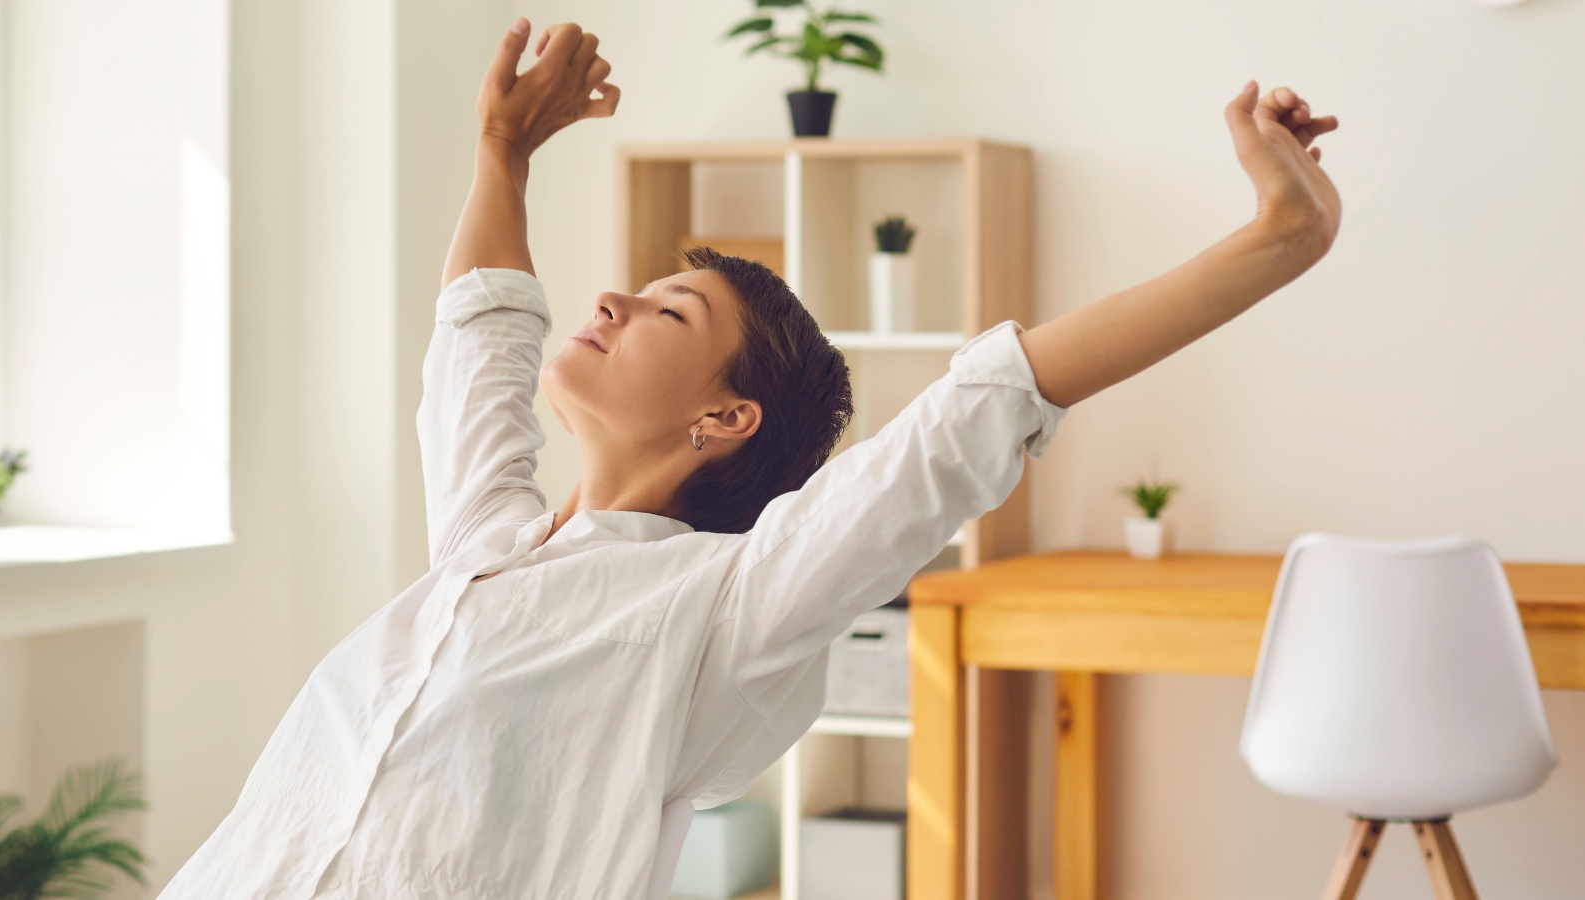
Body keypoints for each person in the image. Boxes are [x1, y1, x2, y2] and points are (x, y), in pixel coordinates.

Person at [160, 17, 1341, 900]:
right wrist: (499, 148)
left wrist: (1275, 241)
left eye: (669, 314)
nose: (614, 296)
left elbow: (983, 404)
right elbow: (480, 326)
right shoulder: (487, 549)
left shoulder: (723, 607)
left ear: (724, 420)